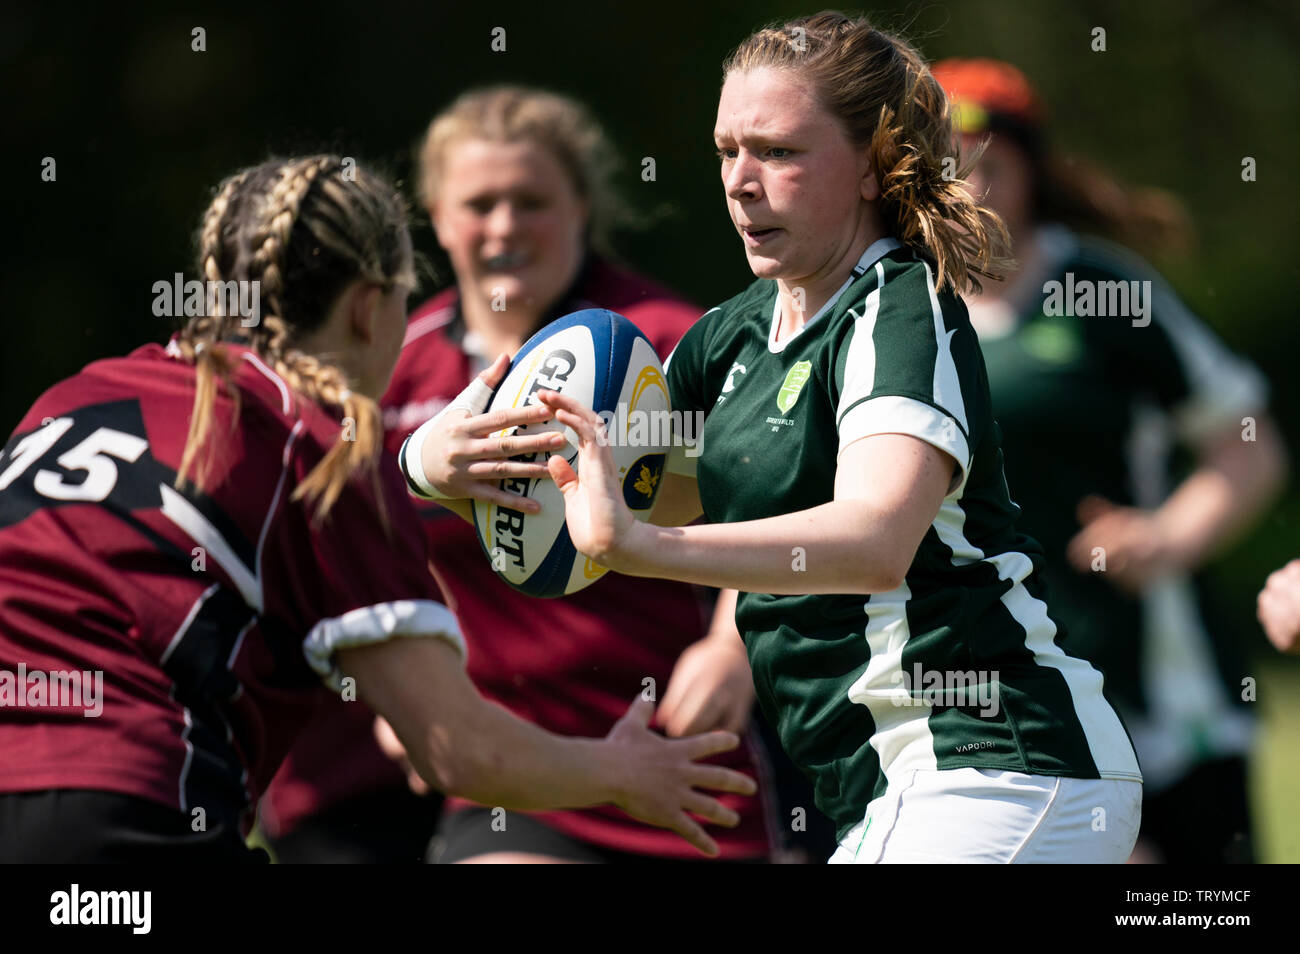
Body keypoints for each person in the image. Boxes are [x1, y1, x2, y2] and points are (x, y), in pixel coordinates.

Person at [405, 13, 1145, 864]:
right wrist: (434, 463)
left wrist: (641, 542)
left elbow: (874, 540)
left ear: (871, 166)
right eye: (727, 151)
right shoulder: (730, 337)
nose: (741, 181)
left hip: (995, 758)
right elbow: (633, 485)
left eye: (779, 151)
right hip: (891, 791)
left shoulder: (896, 306)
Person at [0, 154, 755, 862]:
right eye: (402, 296)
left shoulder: (80, 394)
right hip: (123, 802)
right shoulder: (325, 452)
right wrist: (626, 770)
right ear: (368, 308)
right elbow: (460, 751)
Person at [262, 88, 784, 864]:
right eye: (480, 203)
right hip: (518, 773)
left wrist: (732, 643)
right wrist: (398, 683)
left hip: (682, 751)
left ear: (581, 206)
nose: (505, 225)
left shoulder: (668, 343)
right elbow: (340, 541)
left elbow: (767, 498)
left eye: (531, 200)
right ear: (437, 217)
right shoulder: (399, 368)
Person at [931, 57, 1287, 864]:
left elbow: (1248, 445)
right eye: (943, 165)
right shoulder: (902, 313)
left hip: (1162, 685)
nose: (968, 184)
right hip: (1002, 691)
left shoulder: (1102, 290)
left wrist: (1169, 535)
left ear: (1030, 168)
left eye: (987, 160)